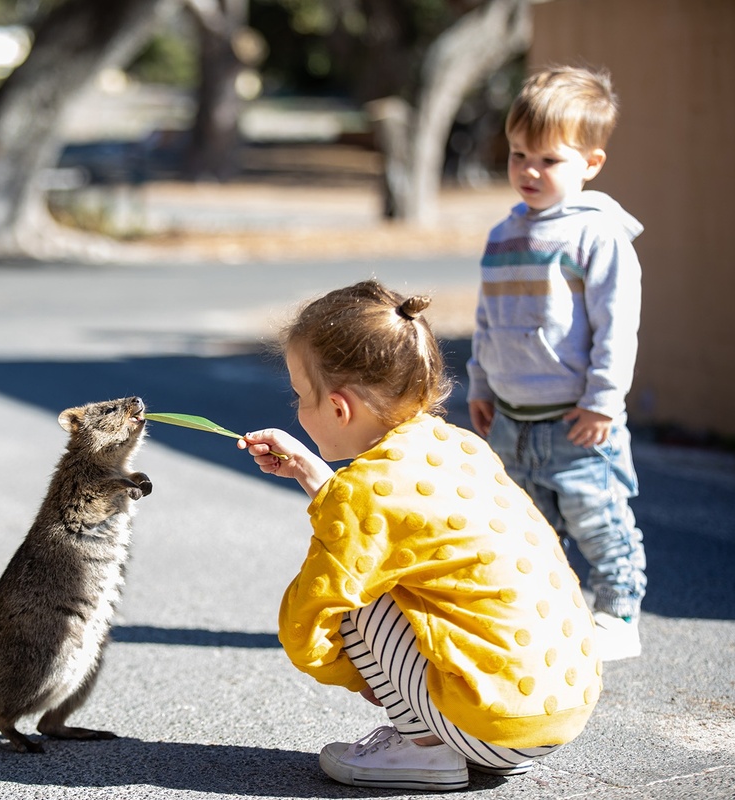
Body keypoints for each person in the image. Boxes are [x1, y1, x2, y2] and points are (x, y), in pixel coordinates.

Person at [239, 280, 600, 792]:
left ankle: (424, 749)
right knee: (387, 573)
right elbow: (384, 514)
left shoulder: (364, 492)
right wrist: (314, 475)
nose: (297, 407)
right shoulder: (459, 447)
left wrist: (356, 673)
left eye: (301, 395)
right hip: (552, 708)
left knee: (352, 599)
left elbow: (311, 614)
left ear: (339, 409)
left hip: (491, 722)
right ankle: (467, 741)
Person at [466, 65, 646, 661]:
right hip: (513, 420)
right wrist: (482, 385)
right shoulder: (503, 236)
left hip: (577, 421)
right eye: (519, 155)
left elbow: (616, 325)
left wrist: (602, 400)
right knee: (530, 532)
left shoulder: (598, 236)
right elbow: (489, 319)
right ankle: (552, 614)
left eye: (549, 159)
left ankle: (619, 613)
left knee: (599, 521)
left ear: (590, 163)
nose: (529, 171)